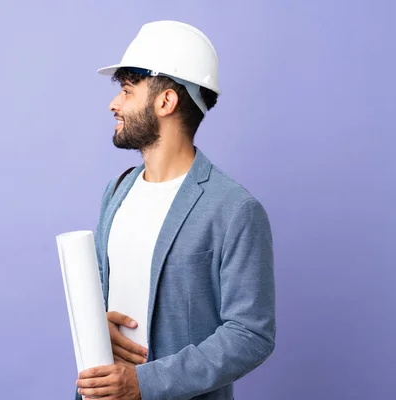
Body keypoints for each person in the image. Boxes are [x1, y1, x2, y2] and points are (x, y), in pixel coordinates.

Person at [75, 20, 276, 400]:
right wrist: (97, 325)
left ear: (166, 101)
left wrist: (144, 383)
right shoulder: (116, 191)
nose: (114, 104)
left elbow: (251, 334)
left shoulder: (235, 209)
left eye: (128, 91)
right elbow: (106, 294)